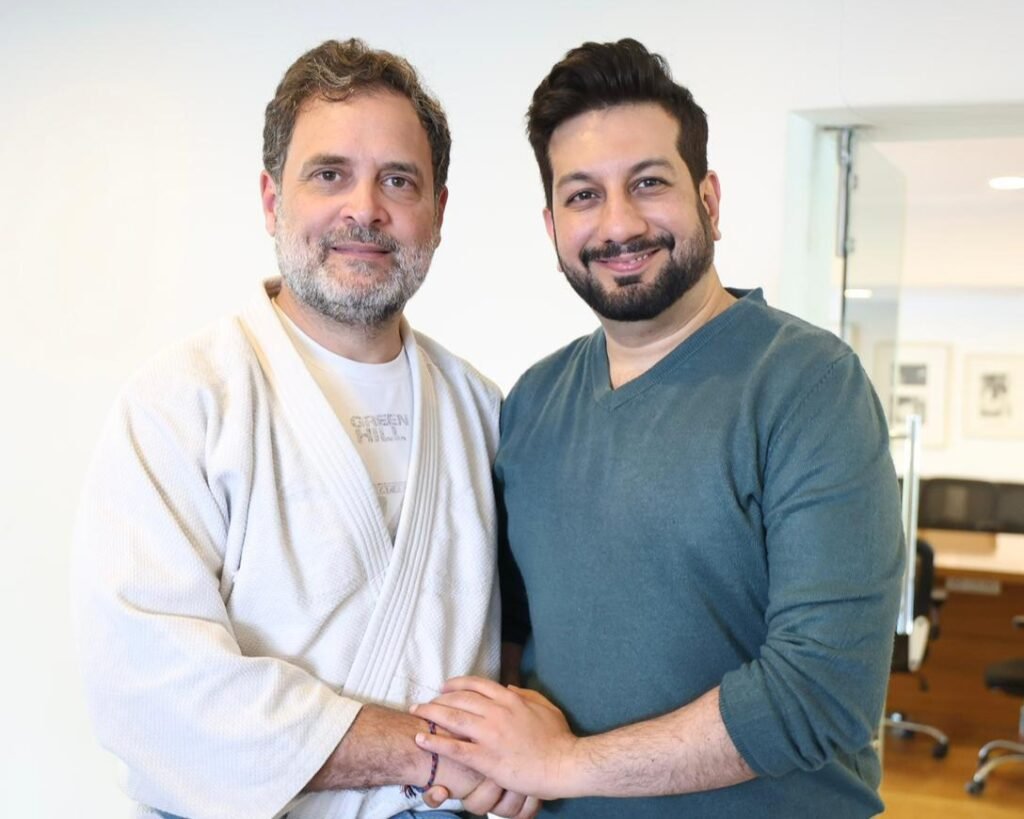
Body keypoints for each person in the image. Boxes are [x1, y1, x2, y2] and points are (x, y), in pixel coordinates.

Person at [410, 38, 905, 818]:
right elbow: (509, 629)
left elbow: (822, 690)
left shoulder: (807, 384)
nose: (619, 223)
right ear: (552, 224)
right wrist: (495, 755)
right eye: (584, 195)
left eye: (649, 182)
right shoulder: (533, 401)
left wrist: (566, 763)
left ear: (709, 198)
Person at [72, 39, 537, 819]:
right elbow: (150, 690)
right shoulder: (183, 404)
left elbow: (526, 639)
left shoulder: (484, 411)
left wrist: (521, 746)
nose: (365, 209)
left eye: (398, 179)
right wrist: (433, 751)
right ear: (271, 200)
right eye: (330, 175)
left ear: (438, 211)